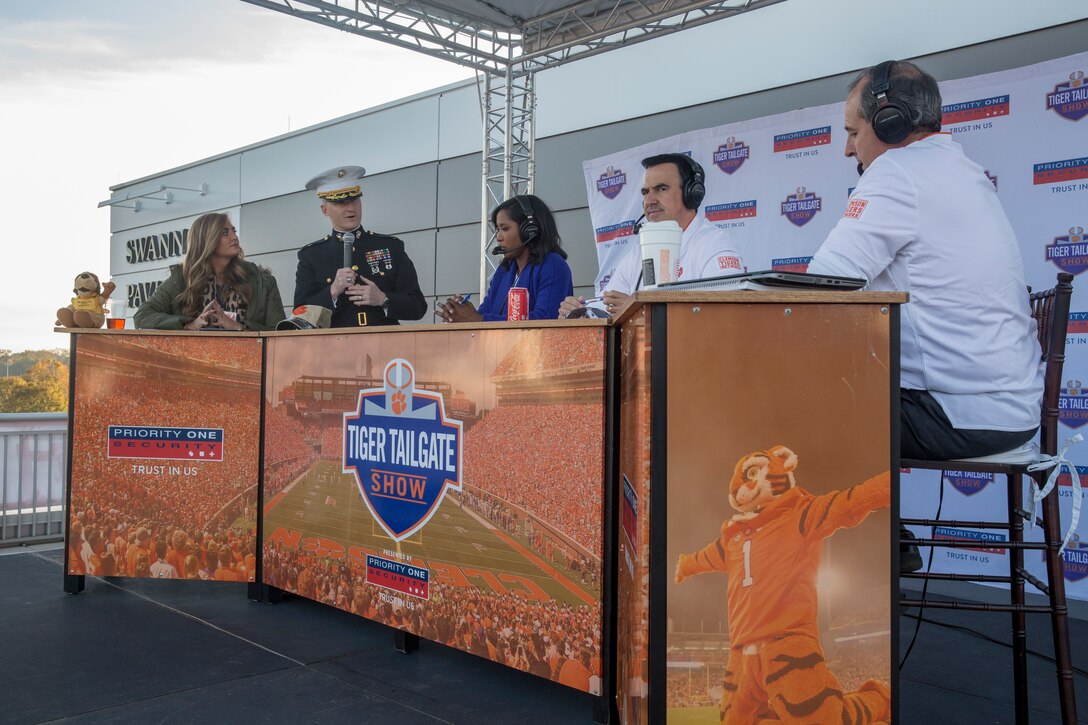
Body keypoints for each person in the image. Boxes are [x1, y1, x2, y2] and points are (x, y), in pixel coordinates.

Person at [807, 60, 1042, 462]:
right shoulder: (960, 170)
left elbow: (823, 284)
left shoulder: (897, 171)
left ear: (889, 123)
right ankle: (882, 528)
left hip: (958, 413)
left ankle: (876, 529)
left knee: (783, 407)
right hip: (1007, 408)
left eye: (852, 132)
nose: (848, 149)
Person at [559, 153, 744, 318]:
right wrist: (581, 312)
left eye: (661, 189)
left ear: (692, 193)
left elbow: (722, 316)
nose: (649, 200)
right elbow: (609, 304)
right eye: (645, 192)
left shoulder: (715, 244)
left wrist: (637, 310)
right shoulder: (639, 249)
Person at [293, 165, 427, 328]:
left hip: (384, 342)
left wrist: (383, 299)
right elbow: (299, 315)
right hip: (334, 345)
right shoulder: (312, 255)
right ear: (325, 210)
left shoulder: (391, 247)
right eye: (341, 202)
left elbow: (418, 306)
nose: (351, 208)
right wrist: (333, 291)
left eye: (354, 199)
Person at [134, 212, 286, 331]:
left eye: (234, 231)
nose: (235, 237)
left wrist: (237, 326)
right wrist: (189, 325)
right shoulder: (182, 278)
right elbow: (142, 317)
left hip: (250, 366)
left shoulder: (262, 281)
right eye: (225, 233)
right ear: (207, 240)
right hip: (197, 365)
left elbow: (279, 332)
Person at [436, 195, 573, 322]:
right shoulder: (505, 269)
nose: (498, 237)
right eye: (497, 229)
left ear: (530, 230)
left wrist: (476, 319)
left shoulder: (553, 264)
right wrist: (462, 313)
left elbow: (545, 318)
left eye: (505, 228)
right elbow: (484, 313)